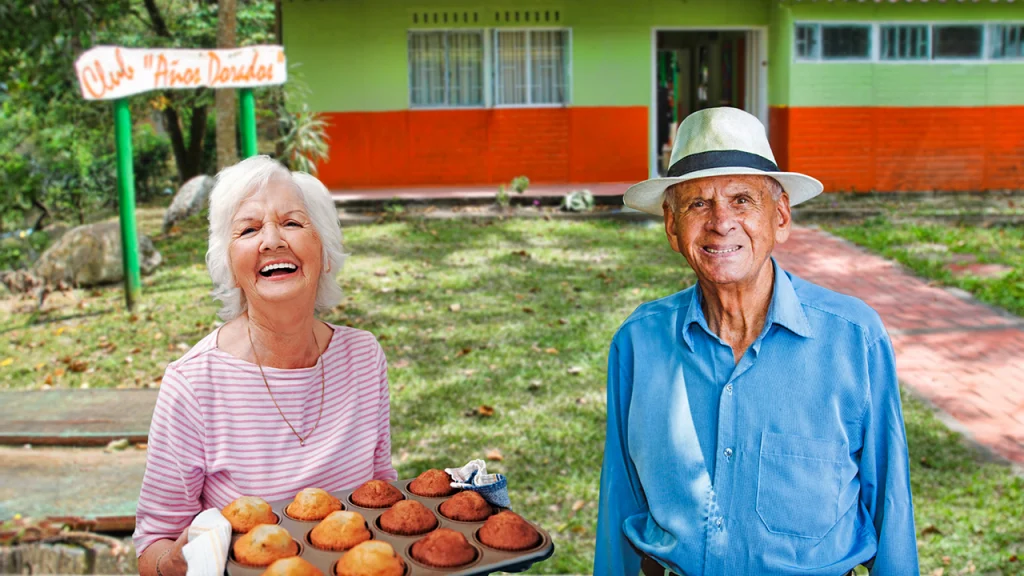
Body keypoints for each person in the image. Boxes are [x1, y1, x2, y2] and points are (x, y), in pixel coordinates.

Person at [594, 108, 918, 575]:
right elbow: (620, 504)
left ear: (780, 216)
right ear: (672, 227)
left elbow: (890, 504)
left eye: (742, 200)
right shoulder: (638, 343)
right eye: (698, 204)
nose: (721, 222)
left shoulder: (854, 338)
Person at [133, 156, 397, 576]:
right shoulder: (193, 384)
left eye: (292, 223)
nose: (272, 240)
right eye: (249, 229)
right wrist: (173, 563)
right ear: (230, 265)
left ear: (324, 250)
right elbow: (154, 542)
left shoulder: (363, 357)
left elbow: (382, 494)